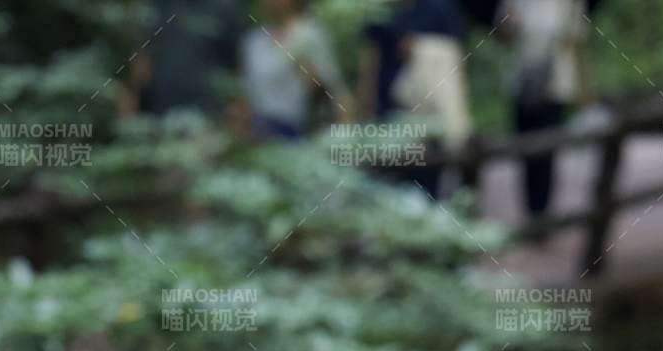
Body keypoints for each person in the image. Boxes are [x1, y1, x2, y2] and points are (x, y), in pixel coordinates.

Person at [359, 1, 471, 197]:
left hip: (426, 122)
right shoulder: (381, 11)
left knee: (425, 186)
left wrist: (420, 48)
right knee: (386, 187)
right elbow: (372, 59)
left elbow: (453, 63)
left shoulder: (440, 9)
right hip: (387, 117)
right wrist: (363, 104)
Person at [493, 0, 591, 217]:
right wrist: (510, 24)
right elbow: (501, 36)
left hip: (554, 87)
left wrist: (584, 95)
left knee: (547, 151)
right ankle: (532, 213)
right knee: (524, 149)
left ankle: (542, 213)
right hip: (522, 86)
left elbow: (576, 40)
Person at [239, 0, 353, 140]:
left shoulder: (309, 35)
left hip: (297, 130)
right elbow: (249, 91)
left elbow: (335, 89)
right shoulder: (254, 40)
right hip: (258, 130)